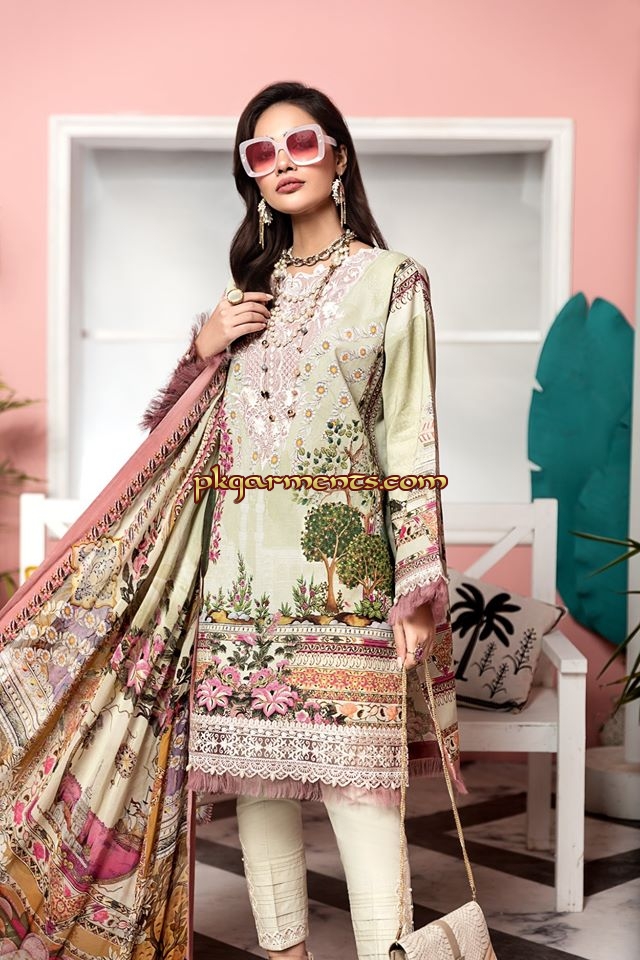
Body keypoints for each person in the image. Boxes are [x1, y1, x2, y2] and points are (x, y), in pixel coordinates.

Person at [0, 81, 466, 960]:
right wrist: (203, 345)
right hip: (238, 582)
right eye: (261, 153)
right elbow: (177, 437)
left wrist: (415, 586)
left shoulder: (393, 281)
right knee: (260, 791)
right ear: (250, 177)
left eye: (301, 143)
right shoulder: (247, 293)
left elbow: (410, 438)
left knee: (364, 796)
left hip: (346, 585)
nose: (282, 164)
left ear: (339, 155)